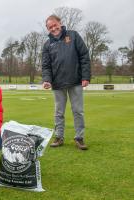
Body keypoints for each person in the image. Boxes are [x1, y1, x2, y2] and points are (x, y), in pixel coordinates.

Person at [42, 15, 91, 150]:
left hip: (75, 81)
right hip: (57, 84)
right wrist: (47, 80)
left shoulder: (73, 35)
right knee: (58, 112)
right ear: (47, 28)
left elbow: (84, 56)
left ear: (60, 23)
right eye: (50, 27)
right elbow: (46, 66)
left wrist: (85, 76)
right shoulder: (47, 44)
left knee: (78, 111)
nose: (53, 28)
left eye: (55, 25)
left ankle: (79, 138)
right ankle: (59, 137)